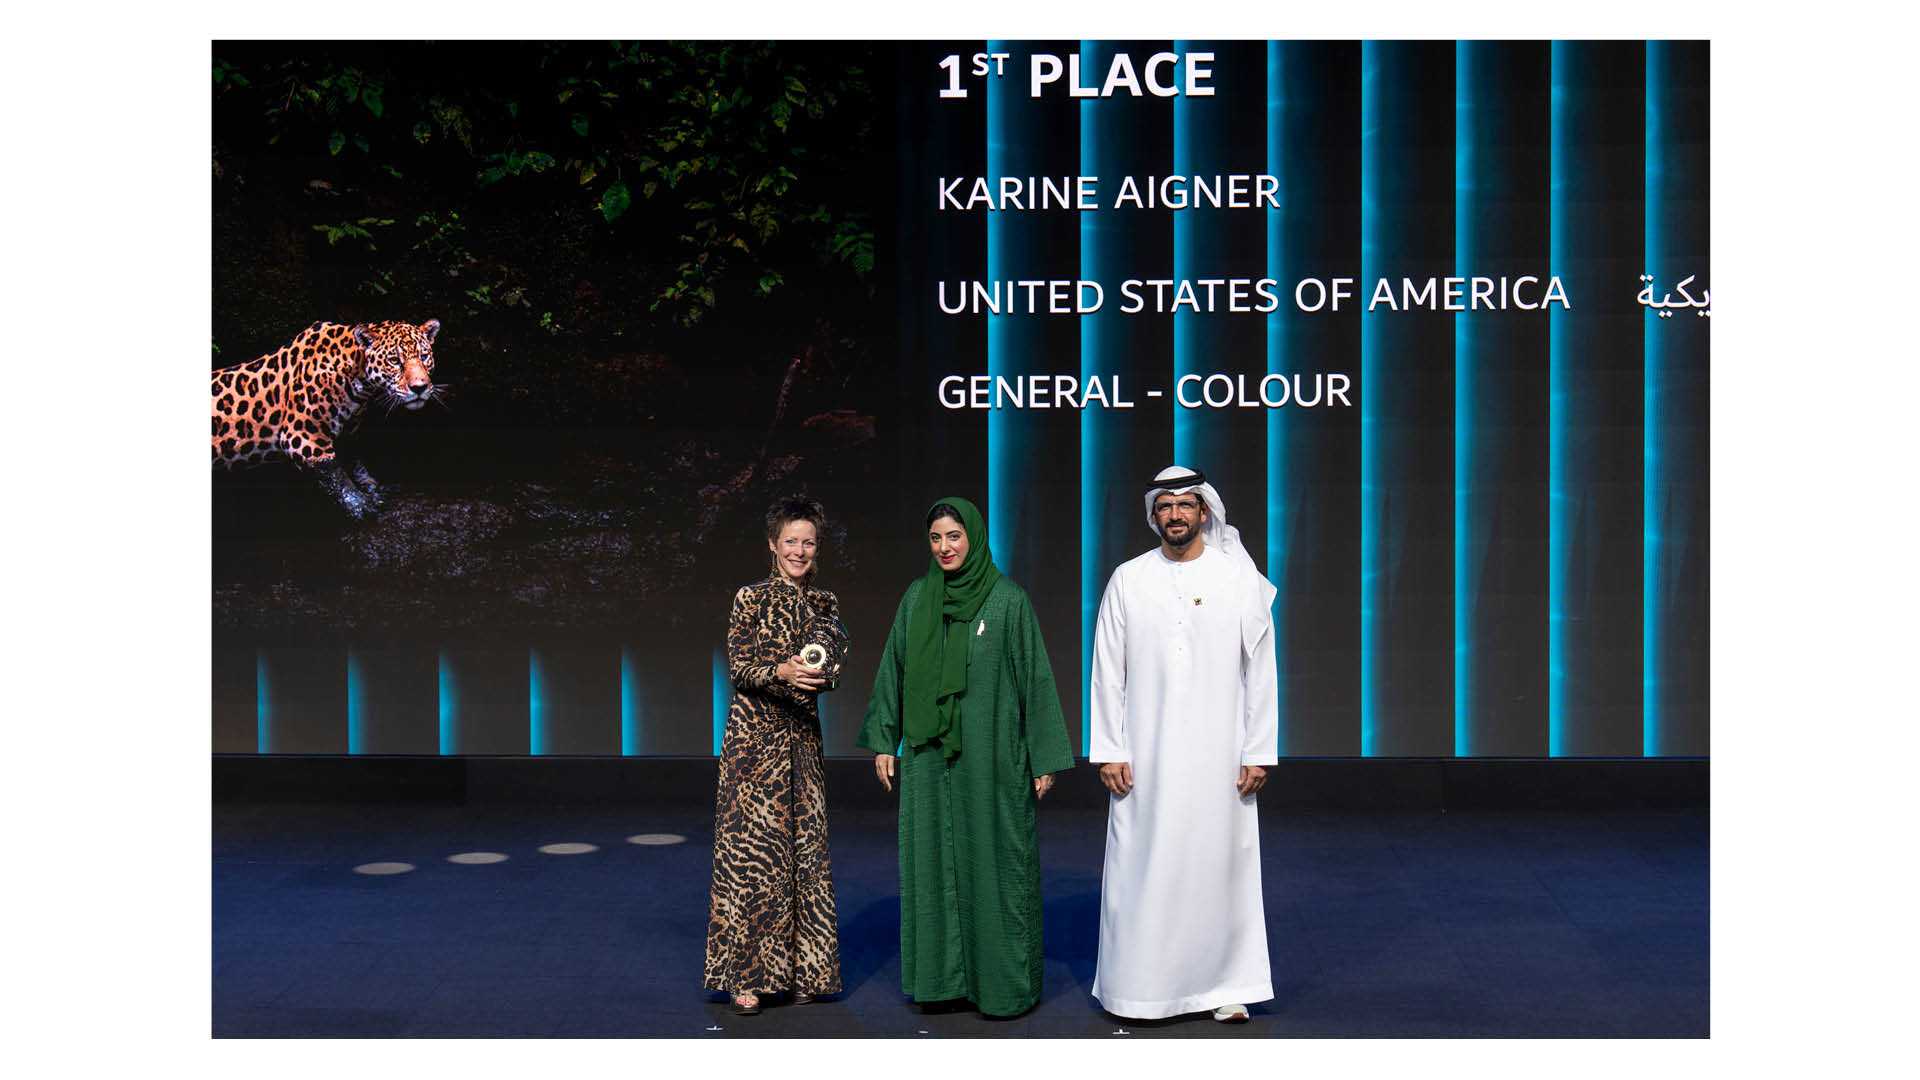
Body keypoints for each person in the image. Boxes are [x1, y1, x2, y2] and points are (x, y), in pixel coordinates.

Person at [856, 497, 1075, 1018]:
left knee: (997, 859)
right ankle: (941, 982)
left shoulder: (1006, 600)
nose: (945, 548)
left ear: (972, 537)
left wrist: (1042, 756)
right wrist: (886, 740)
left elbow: (1035, 678)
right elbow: (895, 668)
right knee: (932, 859)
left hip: (993, 754)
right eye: (935, 538)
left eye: (954, 536)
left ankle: (1003, 985)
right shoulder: (917, 599)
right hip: (930, 758)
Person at [1088, 466, 1279, 1023]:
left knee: (1219, 865)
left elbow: (1260, 668)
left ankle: (1225, 986)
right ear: (1154, 516)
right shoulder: (1128, 579)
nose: (1175, 514)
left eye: (1185, 505)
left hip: (1221, 755)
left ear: (1204, 512)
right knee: (1143, 865)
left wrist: (1258, 749)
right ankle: (1138, 989)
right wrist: (1110, 748)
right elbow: (1107, 670)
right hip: (1144, 756)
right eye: (1164, 505)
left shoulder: (1237, 579)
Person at [703, 496, 848, 1016]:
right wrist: (782, 672)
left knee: (804, 855)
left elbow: (831, 663)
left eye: (808, 542)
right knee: (751, 859)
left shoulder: (826, 602)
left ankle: (804, 970)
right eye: (791, 541)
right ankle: (746, 976)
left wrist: (823, 673)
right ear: (772, 544)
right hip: (753, 745)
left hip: (803, 741)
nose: (800, 550)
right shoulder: (750, 597)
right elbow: (740, 667)